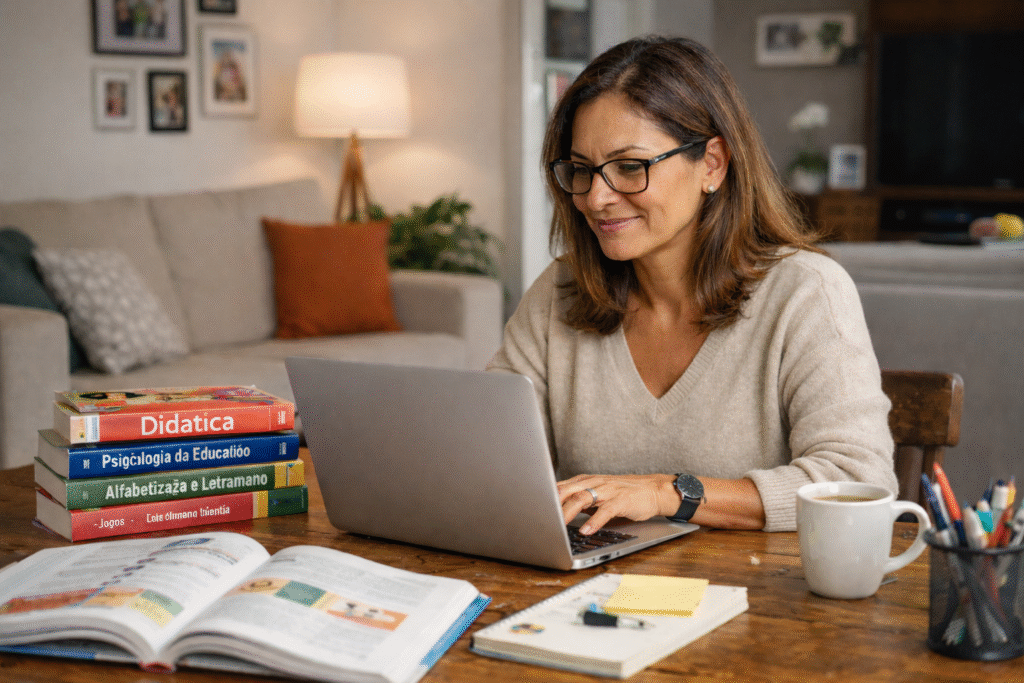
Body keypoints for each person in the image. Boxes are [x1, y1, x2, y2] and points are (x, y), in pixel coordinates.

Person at [487, 36, 897, 534]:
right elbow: (490, 452)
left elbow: (857, 480)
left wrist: (667, 493)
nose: (596, 198)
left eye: (629, 167)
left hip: (756, 582)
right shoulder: (560, 291)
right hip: (598, 579)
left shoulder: (807, 292)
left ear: (712, 164)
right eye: (581, 170)